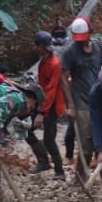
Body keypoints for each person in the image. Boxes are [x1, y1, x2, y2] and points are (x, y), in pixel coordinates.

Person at [59, 16, 102, 185]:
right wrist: (70, 105)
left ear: (90, 32)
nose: (80, 42)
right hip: (80, 101)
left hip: (97, 99)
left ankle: (89, 174)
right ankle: (80, 177)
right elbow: (63, 78)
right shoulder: (70, 51)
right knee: (85, 140)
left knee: (96, 138)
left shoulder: (98, 47)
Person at [27, 30, 67, 178]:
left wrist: (41, 113)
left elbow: (50, 90)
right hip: (43, 103)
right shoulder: (43, 61)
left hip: (52, 106)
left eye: (35, 45)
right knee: (27, 131)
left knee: (50, 139)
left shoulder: (54, 63)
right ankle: (43, 161)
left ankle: (59, 171)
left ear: (41, 46)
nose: (34, 47)